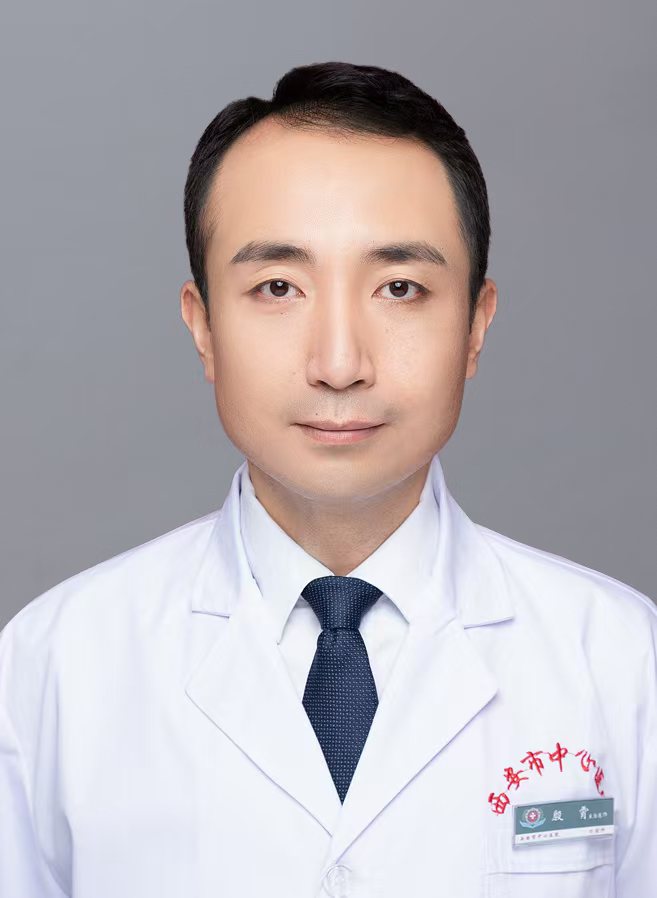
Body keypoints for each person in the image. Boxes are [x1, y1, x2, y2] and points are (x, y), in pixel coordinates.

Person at [1, 60, 655, 898]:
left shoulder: (620, 661)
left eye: (399, 288)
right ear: (203, 327)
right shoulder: (55, 665)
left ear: (475, 324)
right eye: (278, 287)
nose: (339, 363)